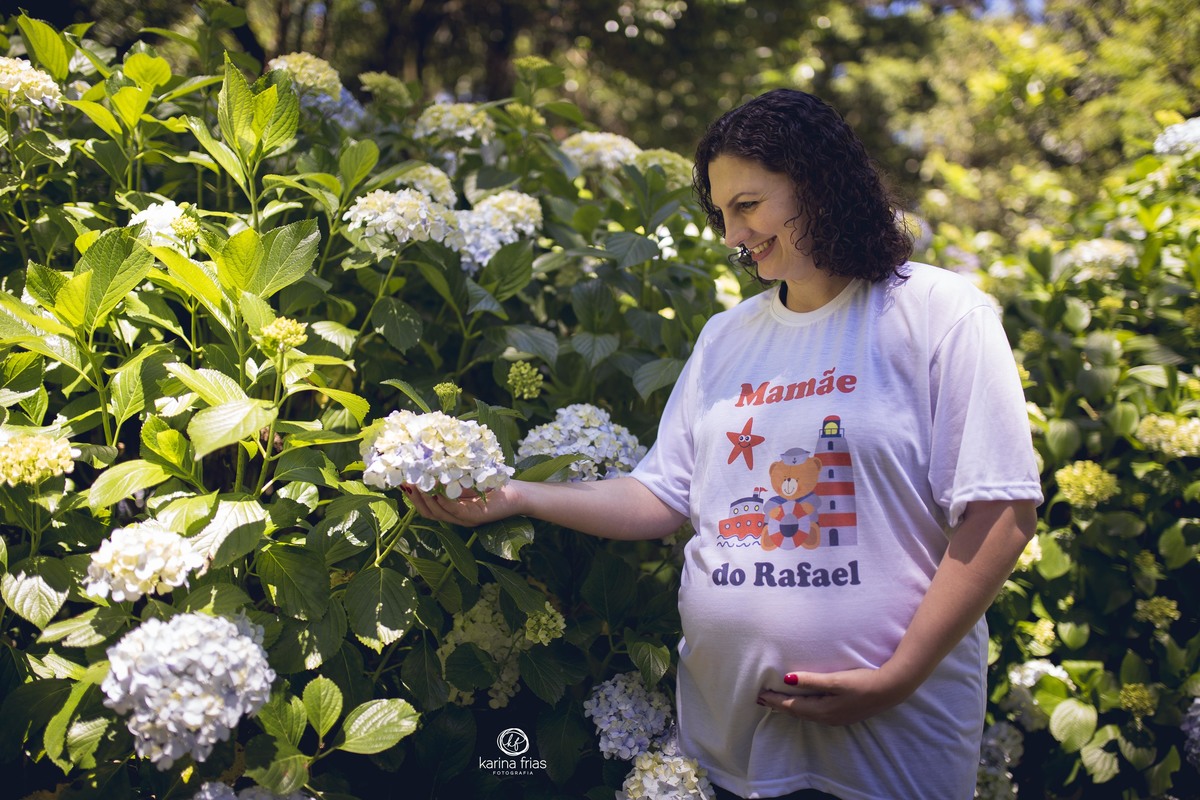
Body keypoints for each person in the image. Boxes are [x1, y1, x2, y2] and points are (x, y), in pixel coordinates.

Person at [406, 88, 1043, 800]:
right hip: (730, 750)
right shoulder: (727, 336)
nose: (731, 235)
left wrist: (895, 679)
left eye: (747, 205)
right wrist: (517, 493)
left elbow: (1001, 512)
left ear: (818, 182)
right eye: (720, 214)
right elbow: (659, 495)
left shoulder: (937, 311)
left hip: (891, 747)